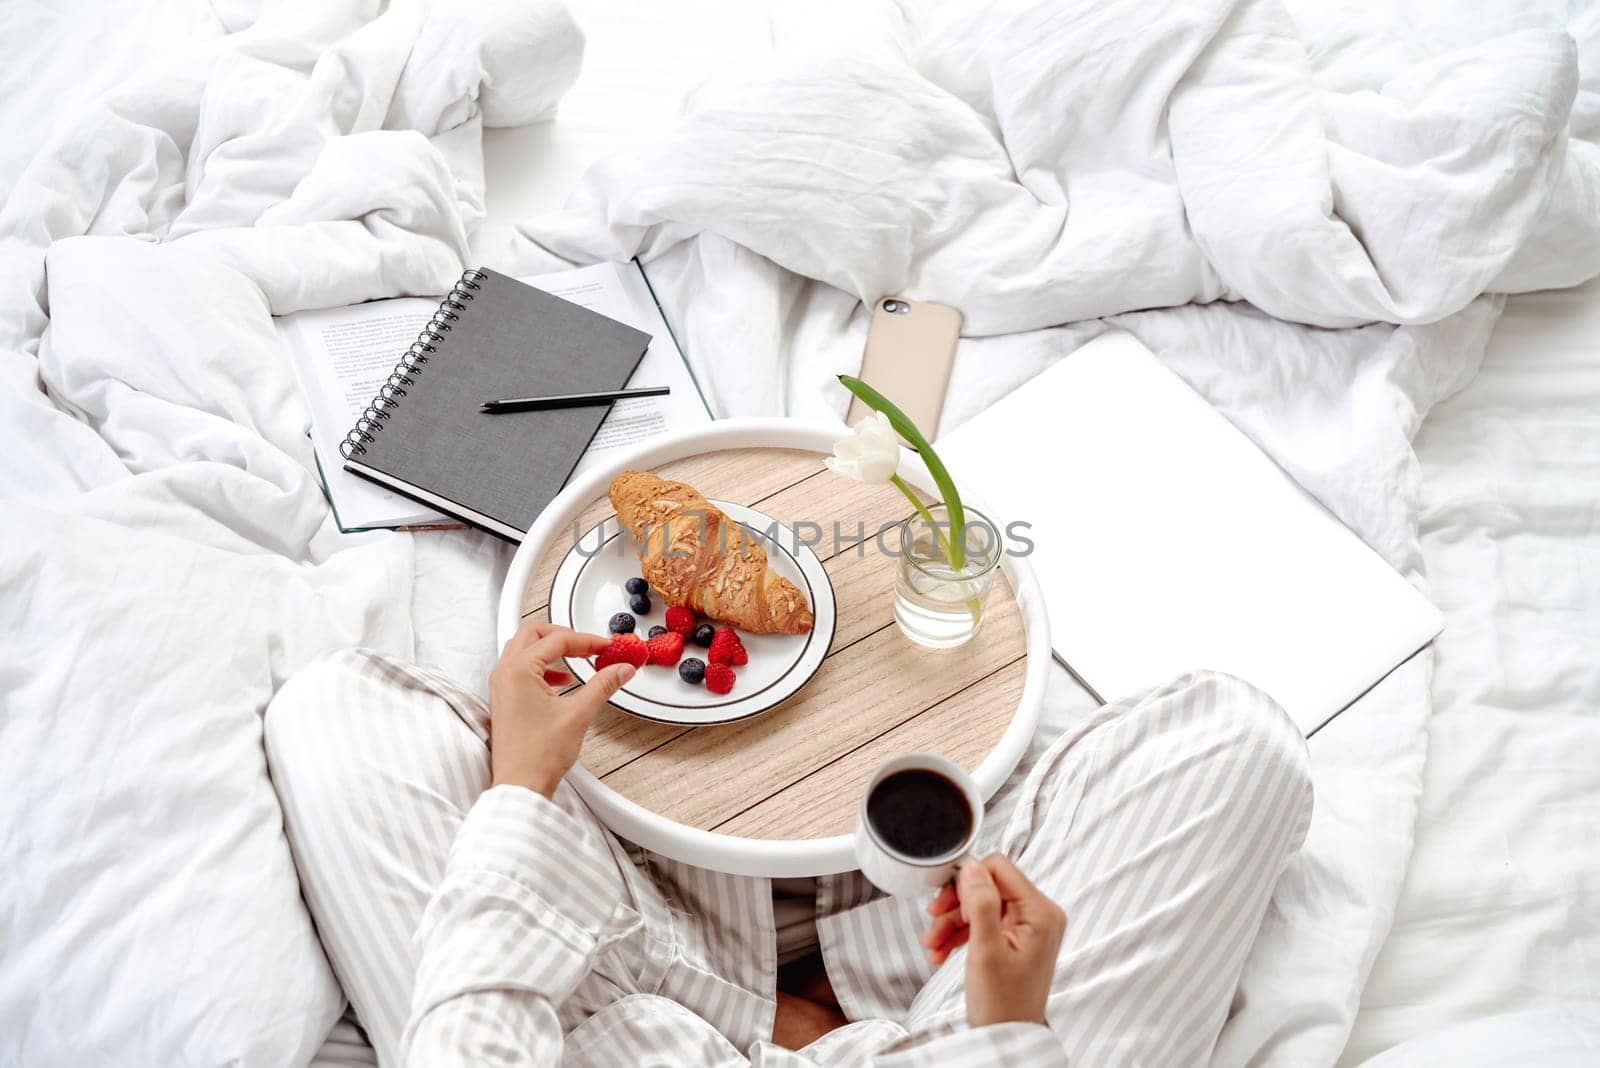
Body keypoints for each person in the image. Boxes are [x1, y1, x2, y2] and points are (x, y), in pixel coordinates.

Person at [265, 621, 1312, 1067]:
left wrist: (520, 790)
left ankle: (766, 991)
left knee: (339, 717)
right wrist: (1004, 1027)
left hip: (618, 1039)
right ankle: (832, 991)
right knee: (1234, 745)